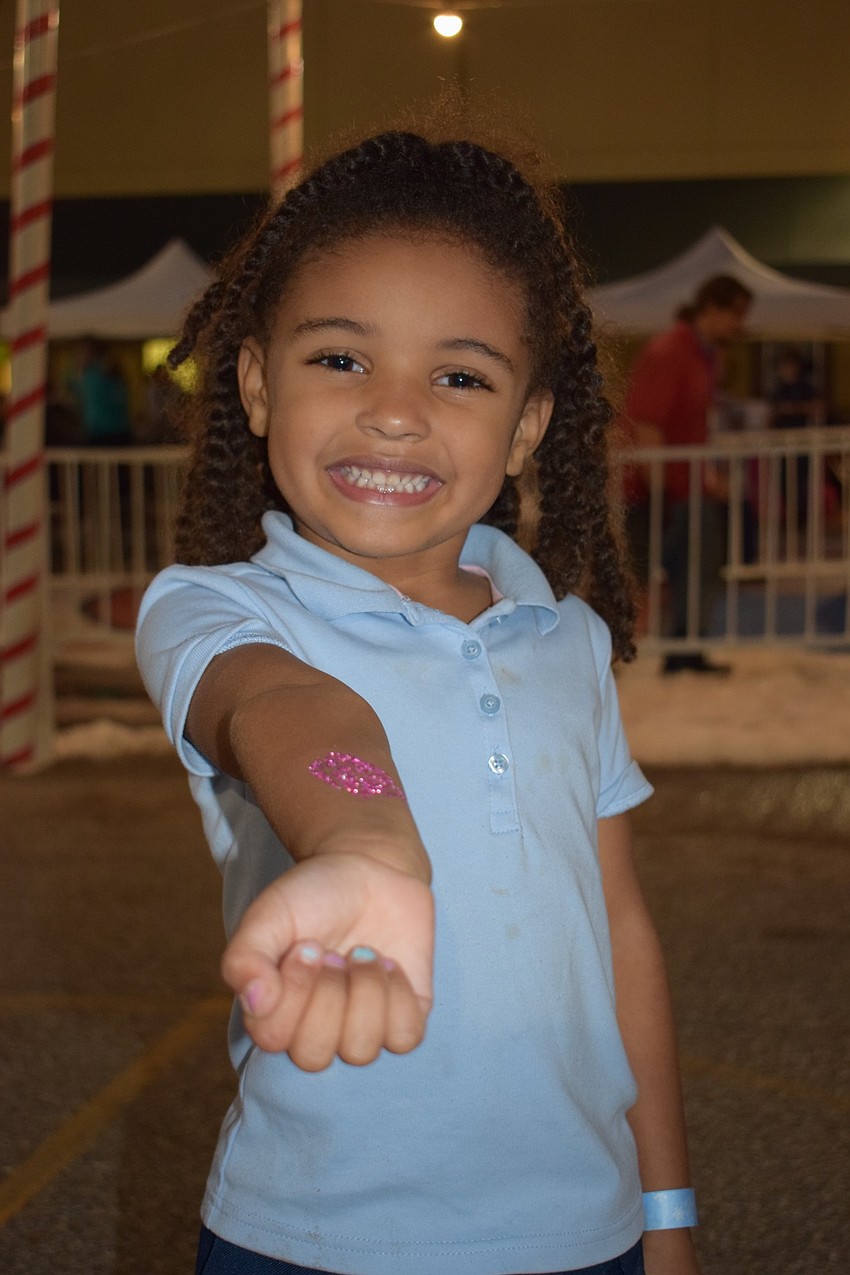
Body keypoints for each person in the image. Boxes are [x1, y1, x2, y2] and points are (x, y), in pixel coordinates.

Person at [136, 115, 701, 1275]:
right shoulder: (214, 611)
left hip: (585, 1234)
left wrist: (666, 1211)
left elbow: (622, 932)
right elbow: (284, 710)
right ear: (253, 381)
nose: (396, 410)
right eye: (340, 358)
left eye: (458, 375)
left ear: (528, 424)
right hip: (311, 1236)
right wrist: (363, 838)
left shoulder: (569, 642)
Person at [623, 275, 752, 674]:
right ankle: (672, 650)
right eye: (736, 315)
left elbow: (688, 424)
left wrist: (705, 478)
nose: (739, 326)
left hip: (681, 489)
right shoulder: (670, 352)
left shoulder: (704, 356)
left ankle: (684, 649)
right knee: (646, 575)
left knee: (689, 568)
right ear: (712, 309)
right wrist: (659, 491)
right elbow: (647, 425)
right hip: (657, 490)